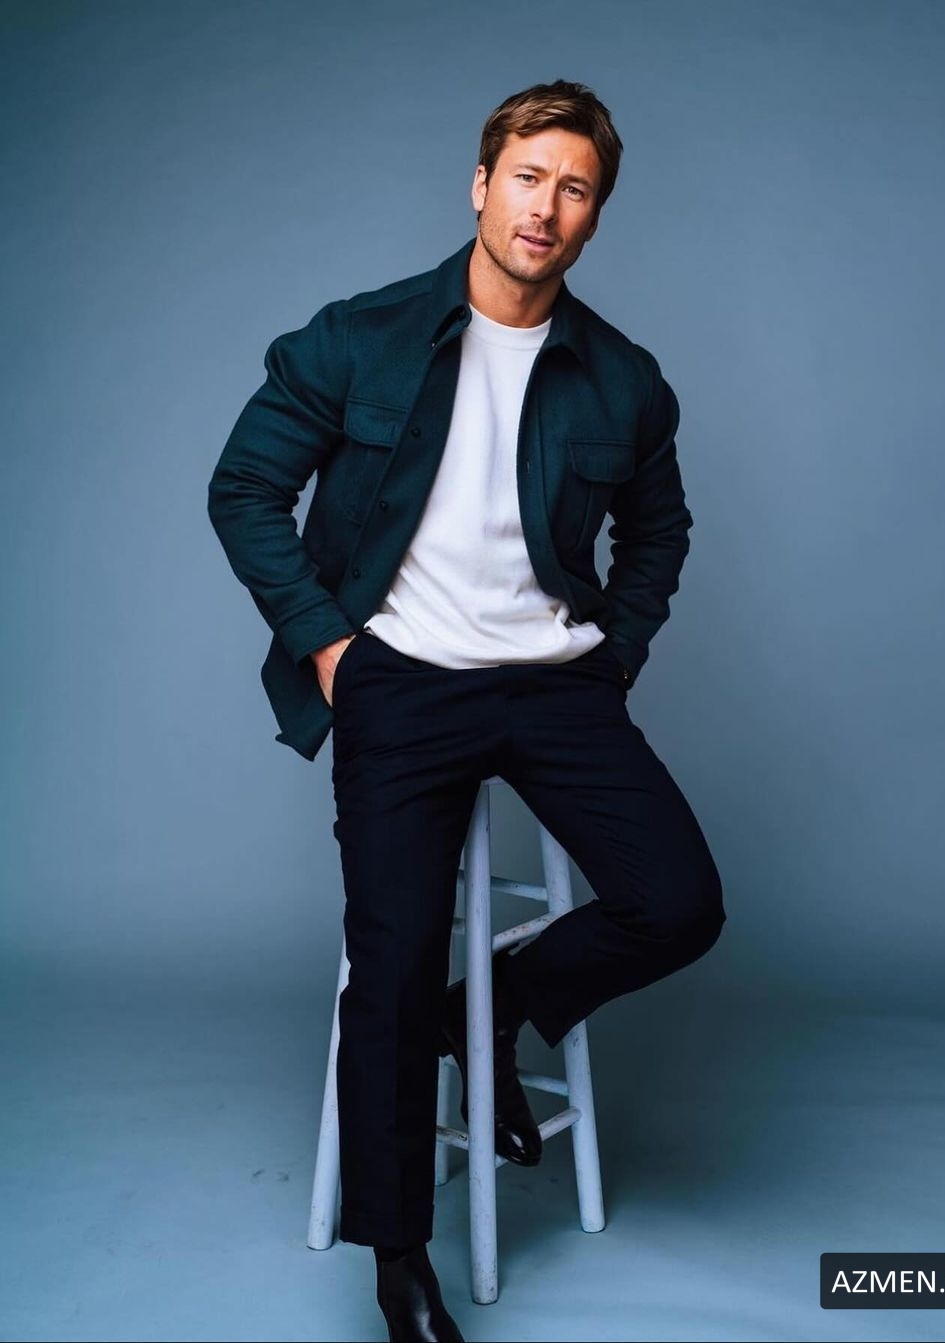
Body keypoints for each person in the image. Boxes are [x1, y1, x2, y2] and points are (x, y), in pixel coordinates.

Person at [208, 78, 726, 1343]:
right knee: (388, 962)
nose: (546, 207)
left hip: (556, 684)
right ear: (482, 184)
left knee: (680, 901)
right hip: (401, 679)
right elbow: (244, 487)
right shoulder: (361, 336)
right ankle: (401, 1264)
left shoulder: (623, 379)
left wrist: (615, 652)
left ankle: (483, 1009)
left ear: (595, 215)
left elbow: (659, 533)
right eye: (529, 177)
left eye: (575, 189)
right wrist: (330, 644)